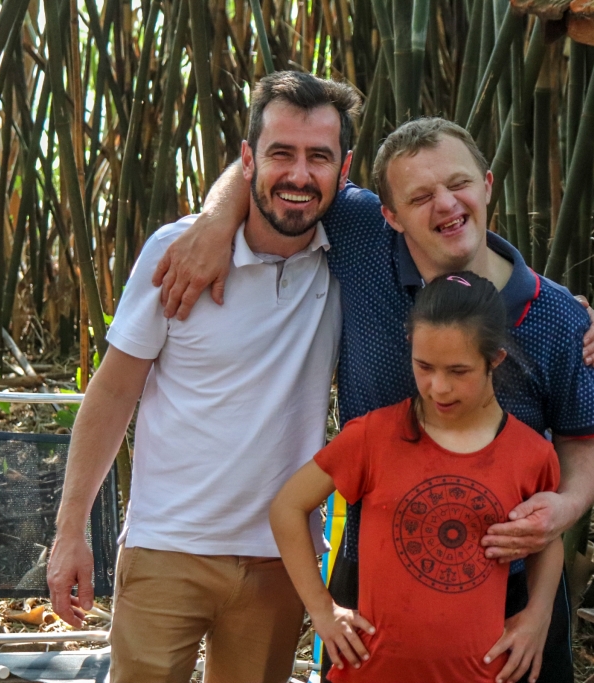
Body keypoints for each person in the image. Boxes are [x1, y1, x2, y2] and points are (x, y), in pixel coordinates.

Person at [152, 116, 594, 683]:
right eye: (420, 197)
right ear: (390, 215)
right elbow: (277, 170)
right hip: (374, 572)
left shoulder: (558, 318)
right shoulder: (362, 234)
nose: (447, 205)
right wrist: (215, 221)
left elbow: (586, 440)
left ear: (488, 185)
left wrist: (564, 510)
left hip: (511, 587)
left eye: (459, 184)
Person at [45, 71, 361, 683]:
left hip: (280, 557)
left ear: (343, 169)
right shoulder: (179, 252)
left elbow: (445, 226)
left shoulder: (350, 258)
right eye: (281, 153)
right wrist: (70, 530)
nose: (299, 175)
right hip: (168, 546)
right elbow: (113, 392)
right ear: (248, 159)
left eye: (318, 157)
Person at [271, 272, 563, 683]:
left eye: (459, 371)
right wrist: (321, 609)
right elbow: (287, 506)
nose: (438, 387)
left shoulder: (532, 454)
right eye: (424, 366)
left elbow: (547, 539)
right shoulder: (372, 436)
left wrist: (538, 616)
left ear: (495, 359)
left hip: (478, 674)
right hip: (368, 672)